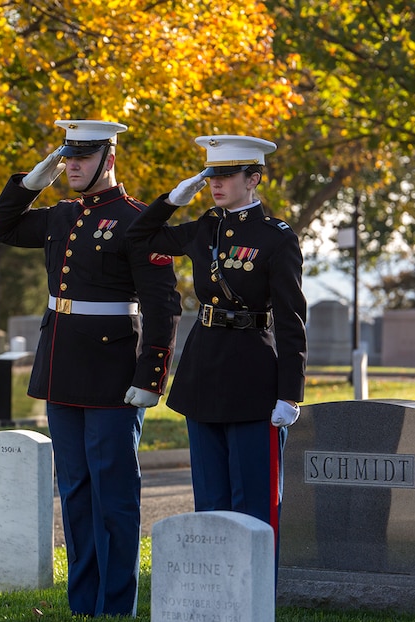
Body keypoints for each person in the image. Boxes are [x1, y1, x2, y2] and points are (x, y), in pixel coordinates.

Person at [0, 119, 181, 616]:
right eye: (66, 156)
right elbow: (3, 226)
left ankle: (117, 605)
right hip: (62, 363)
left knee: (113, 489)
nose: (71, 165)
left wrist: (150, 377)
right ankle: (83, 602)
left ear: (108, 159)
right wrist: (35, 179)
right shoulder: (61, 215)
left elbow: (163, 308)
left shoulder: (139, 220)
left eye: (81, 157)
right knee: (75, 488)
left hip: (114, 370)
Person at [122, 134, 307, 552]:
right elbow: (138, 238)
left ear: (254, 178)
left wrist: (289, 394)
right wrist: (170, 200)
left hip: (253, 375)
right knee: (210, 501)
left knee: (254, 503)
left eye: (226, 175)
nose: (215, 185)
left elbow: (292, 319)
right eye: (210, 177)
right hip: (203, 372)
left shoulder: (276, 237)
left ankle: (257, 598)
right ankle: (215, 596)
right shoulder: (203, 227)